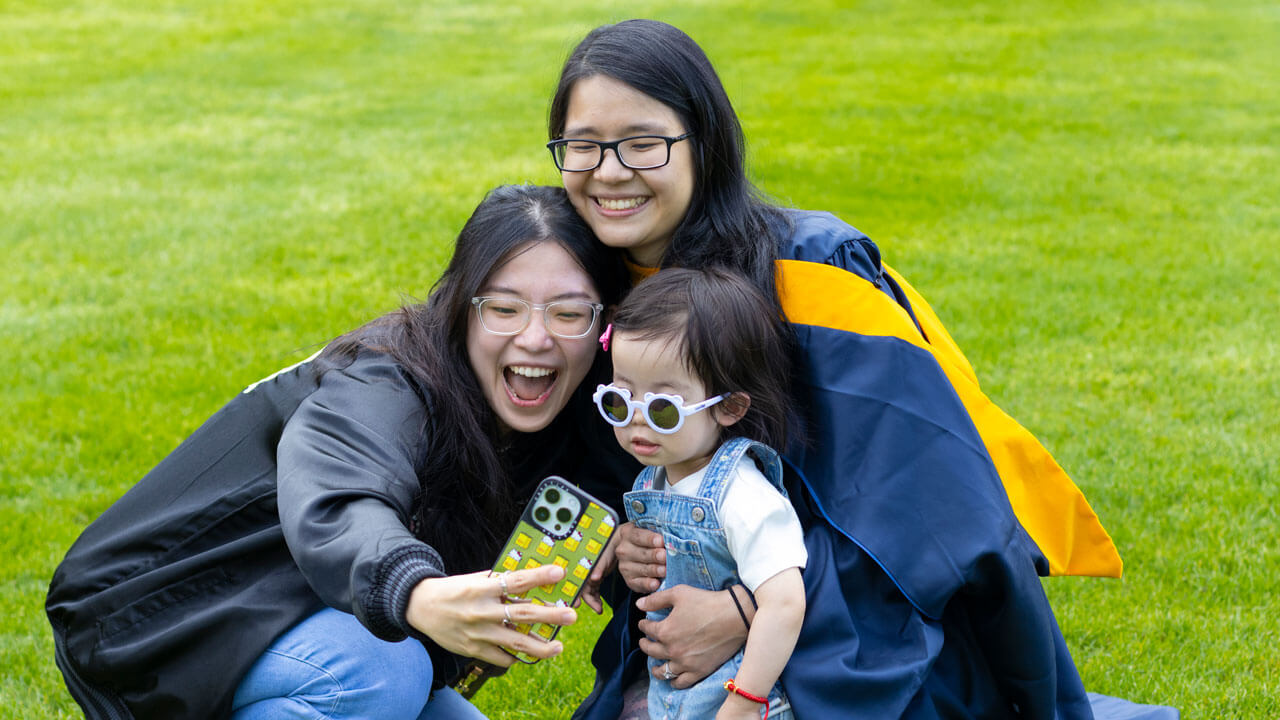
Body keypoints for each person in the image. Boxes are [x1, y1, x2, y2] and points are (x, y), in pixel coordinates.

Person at [545, 19, 1176, 720]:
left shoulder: (814, 273)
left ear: (705, 143)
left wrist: (748, 606)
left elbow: (921, 508)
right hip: (692, 644)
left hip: (858, 632)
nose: (608, 171)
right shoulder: (590, 289)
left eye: (642, 143)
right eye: (583, 147)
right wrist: (634, 543)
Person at [45, 184, 630, 720]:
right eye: (503, 308)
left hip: (293, 611)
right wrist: (417, 592)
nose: (535, 337)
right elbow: (340, 495)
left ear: (601, 326)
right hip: (156, 616)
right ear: (459, 308)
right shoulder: (385, 381)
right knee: (382, 673)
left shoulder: (559, 418)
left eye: (569, 313)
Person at [592, 268, 805, 720]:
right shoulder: (655, 477)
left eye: (662, 409)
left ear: (729, 407)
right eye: (619, 401)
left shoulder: (742, 494)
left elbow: (785, 601)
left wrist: (746, 702)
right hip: (676, 702)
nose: (636, 422)